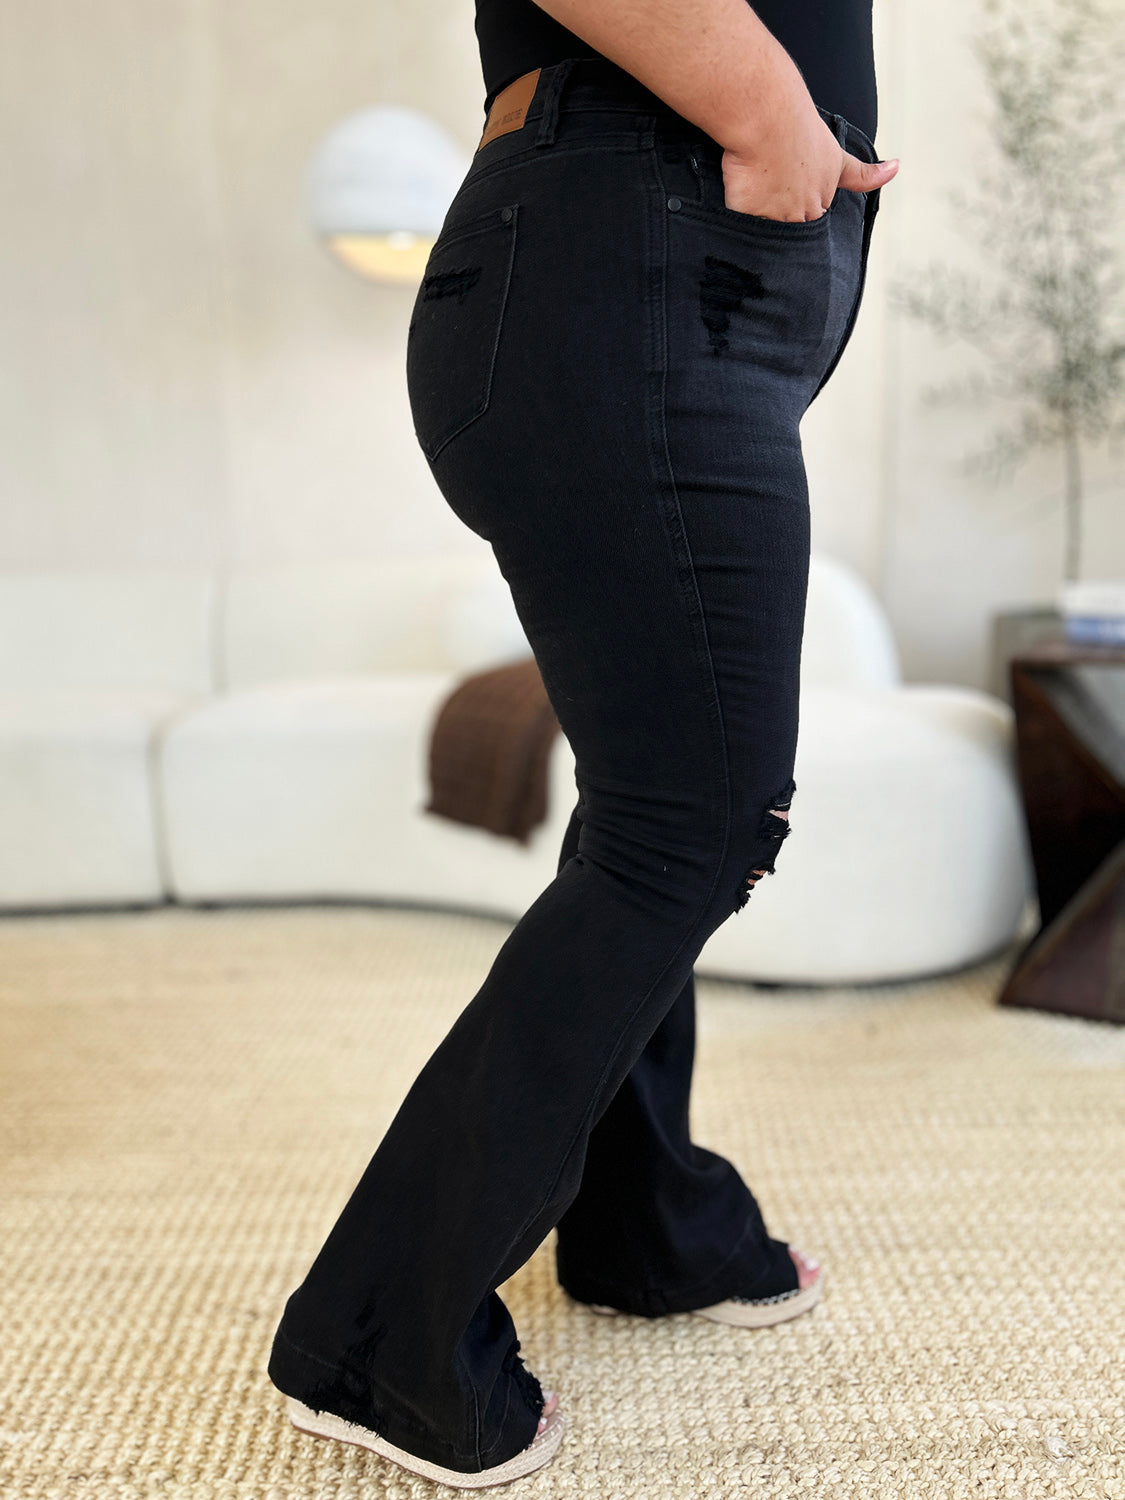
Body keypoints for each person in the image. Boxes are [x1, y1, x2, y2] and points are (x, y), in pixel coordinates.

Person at [267, 0, 900, 1488]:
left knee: (662, 804)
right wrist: (765, 108)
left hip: (668, 273)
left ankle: (643, 1222)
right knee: (694, 821)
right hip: (636, 253)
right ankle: (371, 1338)